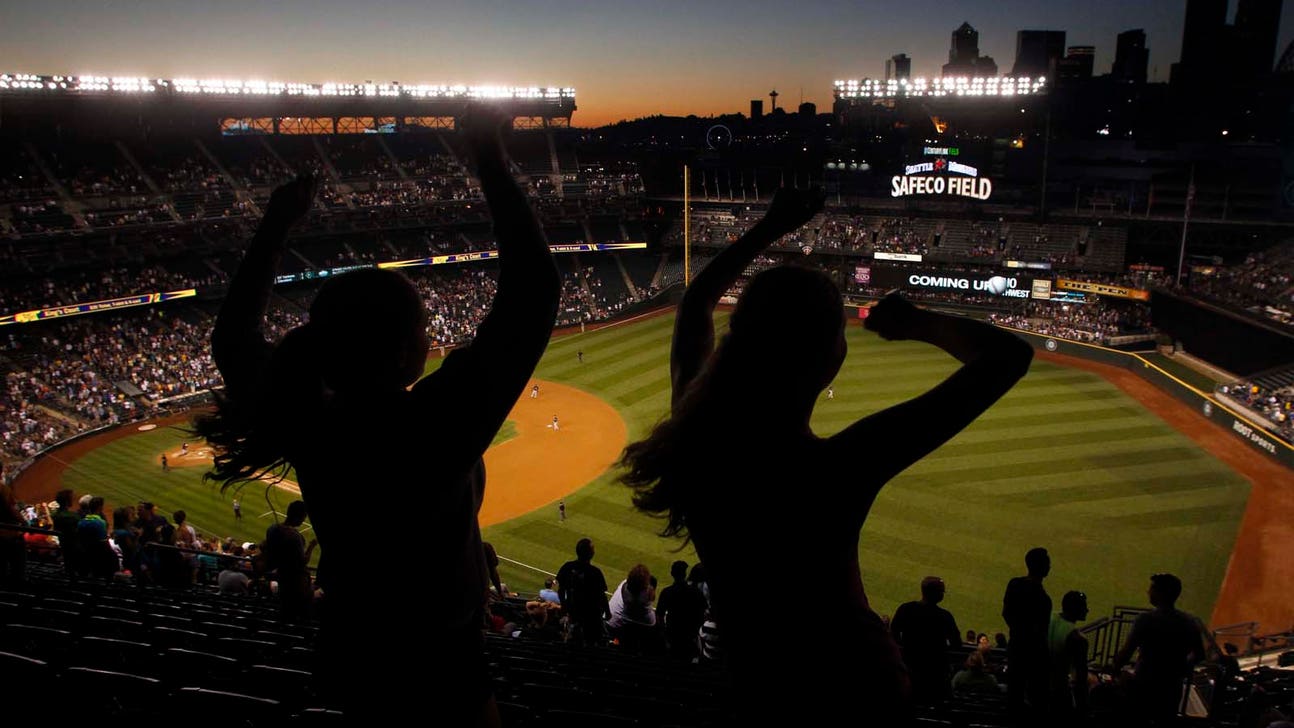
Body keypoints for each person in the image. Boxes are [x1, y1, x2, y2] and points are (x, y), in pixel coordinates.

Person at [197, 109, 560, 725]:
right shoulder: (428, 433)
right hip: (438, 668)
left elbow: (232, 342)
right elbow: (533, 294)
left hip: (351, 648)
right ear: (399, 354)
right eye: (421, 327)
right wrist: (490, 160)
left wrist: (273, 226)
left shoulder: (311, 418)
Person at [619, 187, 1034, 722]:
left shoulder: (696, 441)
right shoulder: (835, 470)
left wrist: (770, 227)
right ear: (824, 361)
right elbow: (1007, 357)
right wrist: (919, 324)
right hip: (855, 687)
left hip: (756, 686)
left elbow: (697, 303)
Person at [1109, 573, 1207, 724]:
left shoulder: (1145, 620)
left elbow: (1126, 653)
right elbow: (1200, 654)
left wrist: (1115, 670)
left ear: (1161, 593)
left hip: (1144, 685)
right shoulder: (1189, 622)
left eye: (1152, 589)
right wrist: (1181, 667)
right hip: (1172, 688)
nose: (1149, 592)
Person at [891, 576, 961, 704]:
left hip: (910, 668)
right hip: (935, 674)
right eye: (941, 591)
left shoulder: (906, 609)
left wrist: (904, 650)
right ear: (936, 594)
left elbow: (894, 633)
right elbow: (957, 644)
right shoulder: (945, 616)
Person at [1003, 547, 1053, 715]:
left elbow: (1007, 613)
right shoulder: (1044, 600)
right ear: (1043, 567)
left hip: (1016, 645)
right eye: (1047, 563)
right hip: (1034, 653)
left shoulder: (1014, 584)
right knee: (1035, 696)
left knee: (1014, 691)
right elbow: (1042, 631)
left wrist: (1017, 631)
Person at [262, 500, 315, 621]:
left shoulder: (272, 529)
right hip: (296, 582)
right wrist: (312, 546)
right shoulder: (295, 536)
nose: (303, 520)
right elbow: (303, 561)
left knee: (285, 608)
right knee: (301, 614)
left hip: (282, 577)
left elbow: (266, 548)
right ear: (299, 516)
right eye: (303, 517)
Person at [555, 538, 609, 645]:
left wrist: (564, 606)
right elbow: (602, 596)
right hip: (590, 617)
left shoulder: (567, 567)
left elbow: (561, 589)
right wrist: (608, 612)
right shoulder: (595, 573)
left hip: (573, 613)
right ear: (590, 554)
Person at [1047, 590, 1091, 722]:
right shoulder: (1078, 639)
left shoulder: (1047, 617)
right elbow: (1081, 679)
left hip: (1035, 684)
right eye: (1083, 606)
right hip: (1057, 691)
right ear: (1076, 609)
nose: (1087, 610)